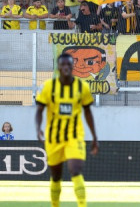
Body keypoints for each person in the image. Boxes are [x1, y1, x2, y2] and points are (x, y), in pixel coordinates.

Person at [35, 53, 99, 207]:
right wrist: (38, 129)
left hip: (74, 136)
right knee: (56, 176)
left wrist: (94, 137)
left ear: (72, 66)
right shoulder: (48, 87)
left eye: (68, 64)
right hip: (53, 137)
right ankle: (55, 204)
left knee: (76, 170)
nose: (65, 67)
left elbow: (88, 112)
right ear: (58, 67)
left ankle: (82, 204)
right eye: (62, 65)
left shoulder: (82, 87)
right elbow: (39, 110)